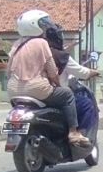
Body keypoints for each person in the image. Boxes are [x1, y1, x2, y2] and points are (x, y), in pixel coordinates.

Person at [7, 9, 90, 149]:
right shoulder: (41, 42)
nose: (46, 27)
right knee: (67, 95)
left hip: (13, 91)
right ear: (34, 26)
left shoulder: (16, 45)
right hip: (37, 89)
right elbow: (52, 70)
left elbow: (8, 70)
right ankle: (73, 132)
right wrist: (57, 84)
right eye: (43, 23)